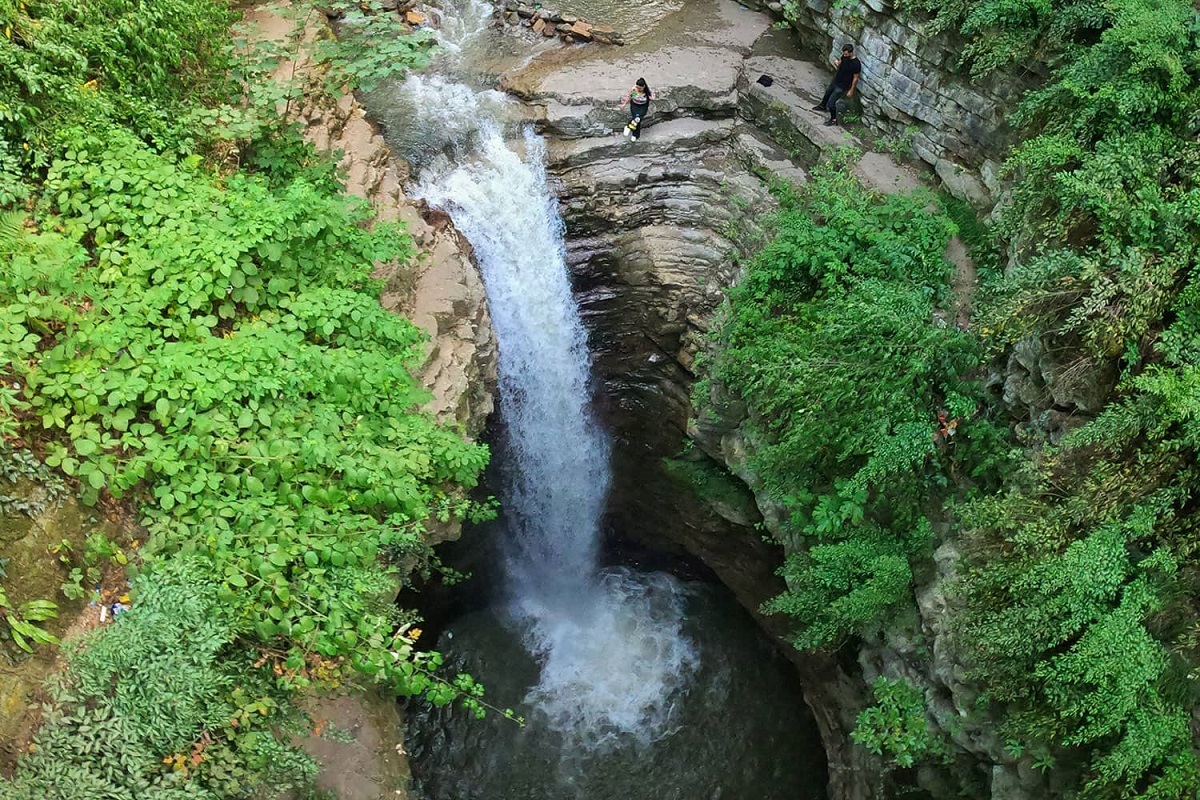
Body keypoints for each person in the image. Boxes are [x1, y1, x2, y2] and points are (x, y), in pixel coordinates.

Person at [813, 44, 860, 126]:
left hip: (842, 85)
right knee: (827, 92)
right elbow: (840, 63)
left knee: (831, 103)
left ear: (851, 53)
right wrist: (837, 63)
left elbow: (855, 78)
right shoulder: (844, 57)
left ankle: (834, 119)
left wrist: (851, 90)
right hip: (836, 80)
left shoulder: (856, 64)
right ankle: (822, 106)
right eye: (844, 54)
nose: (844, 55)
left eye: (846, 54)